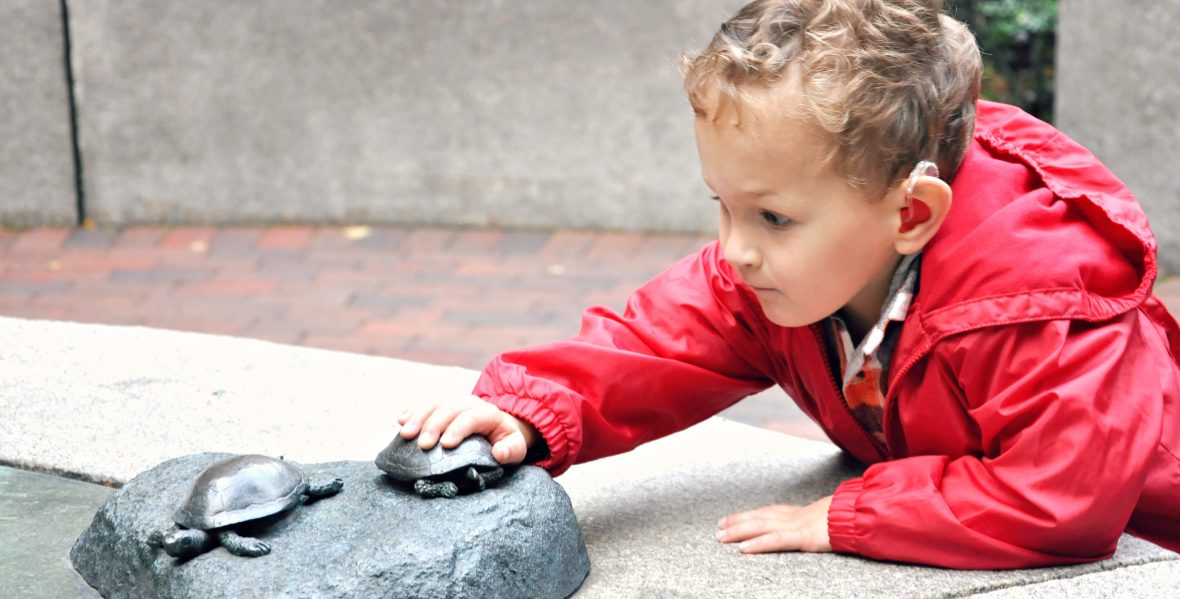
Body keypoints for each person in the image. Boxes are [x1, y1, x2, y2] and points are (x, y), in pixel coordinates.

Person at [398, 0, 1180, 569]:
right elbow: (653, 341)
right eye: (723, 206)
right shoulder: (785, 269)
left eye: (771, 217)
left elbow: (1060, 495)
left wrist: (854, 516)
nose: (733, 251)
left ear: (909, 211)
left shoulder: (1041, 304)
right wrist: (528, 407)